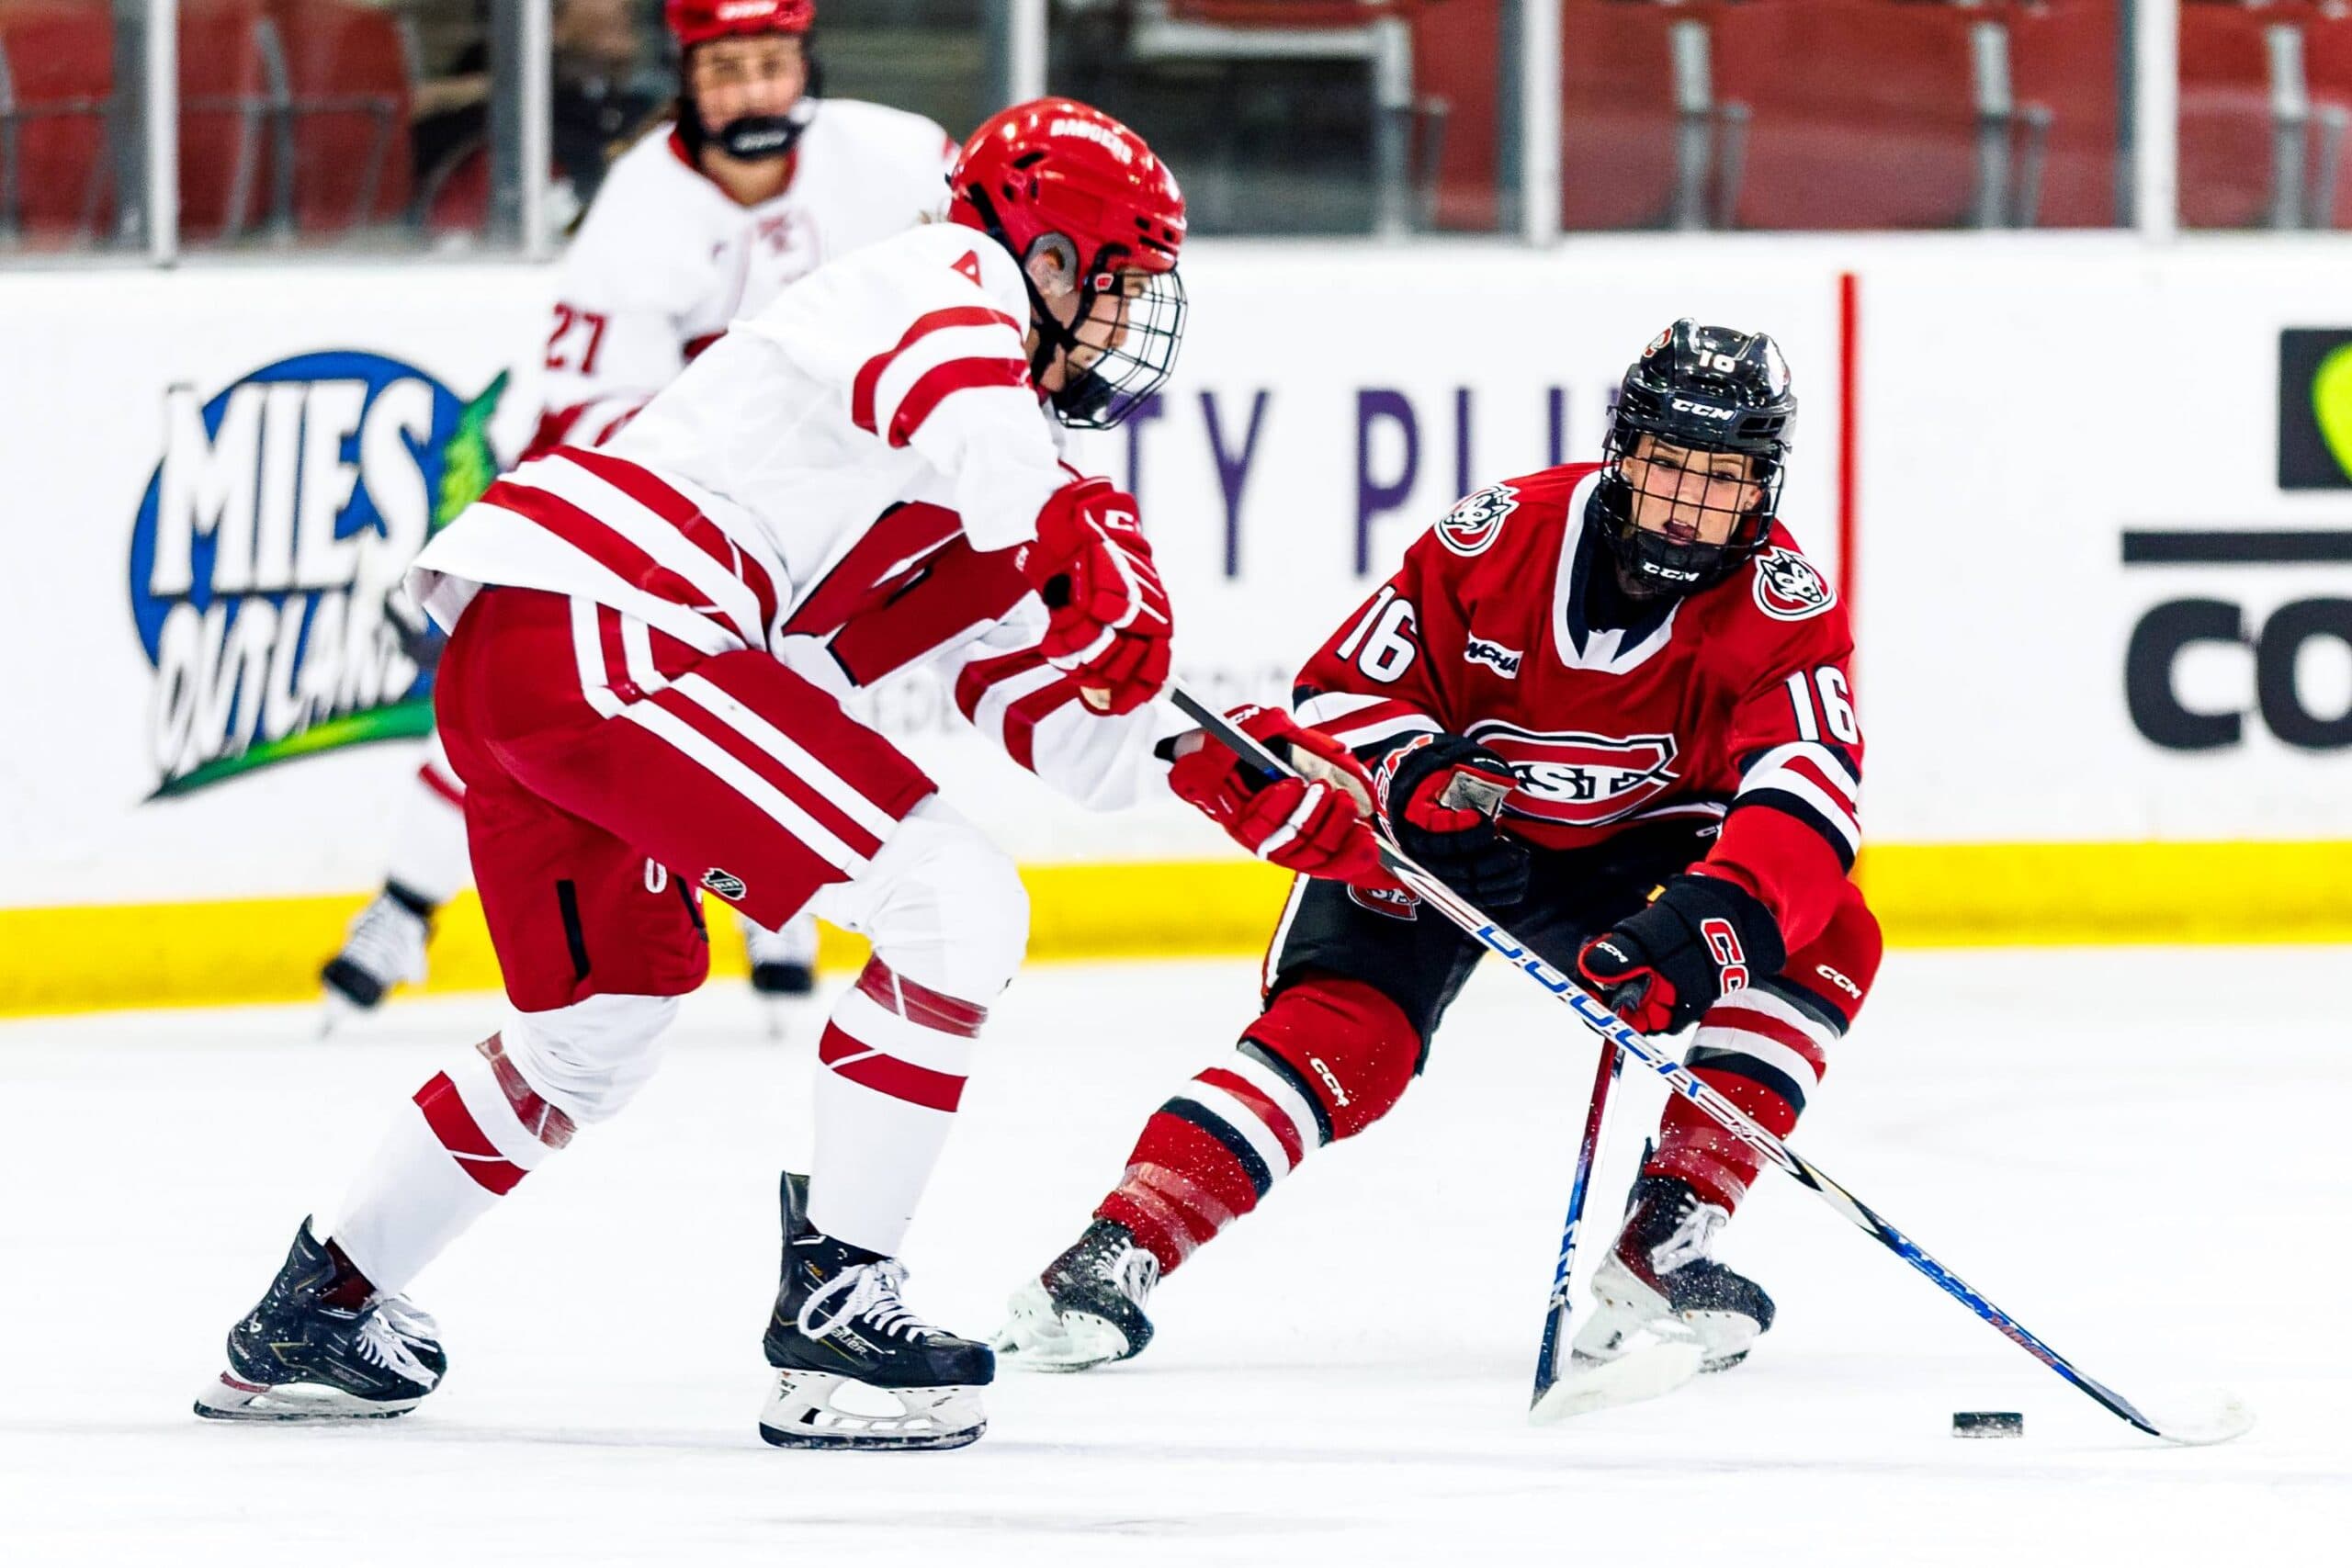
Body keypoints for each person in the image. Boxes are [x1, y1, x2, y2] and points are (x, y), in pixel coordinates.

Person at [201, 97, 1190, 1453]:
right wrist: (1084, 531)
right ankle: (839, 1309)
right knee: (953, 899)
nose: (1132, 325)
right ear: (1053, 257)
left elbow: (1056, 715)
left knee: (601, 1020)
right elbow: (990, 433)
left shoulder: (1006, 463)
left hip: (536, 652)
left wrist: (1229, 769)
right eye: (1122, 282)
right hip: (619, 618)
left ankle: (317, 1303)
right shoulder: (942, 286)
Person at [996, 321, 1883, 1389]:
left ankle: (1669, 1231)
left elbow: (1811, 789)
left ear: (1763, 486)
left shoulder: (1786, 610)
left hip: (1636, 868)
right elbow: (1341, 694)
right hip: (1451, 851)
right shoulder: (1493, 540)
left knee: (1830, 929)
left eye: (1725, 478)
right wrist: (1415, 782)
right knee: (1351, 1041)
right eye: (1669, 468)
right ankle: (1116, 1248)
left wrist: (1713, 924)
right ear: (1624, 453)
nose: (1690, 505)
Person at [329, 0, 964, 1022]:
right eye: (727, 69)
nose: (753, 90)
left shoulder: (898, 158)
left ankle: (776, 907)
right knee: (518, 698)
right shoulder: (640, 204)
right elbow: (598, 415)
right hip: (635, 494)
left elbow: (982, 288)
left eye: (773, 63)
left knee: (797, 681)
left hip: (805, 500)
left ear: (809, 62)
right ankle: (405, 906)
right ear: (686, 77)